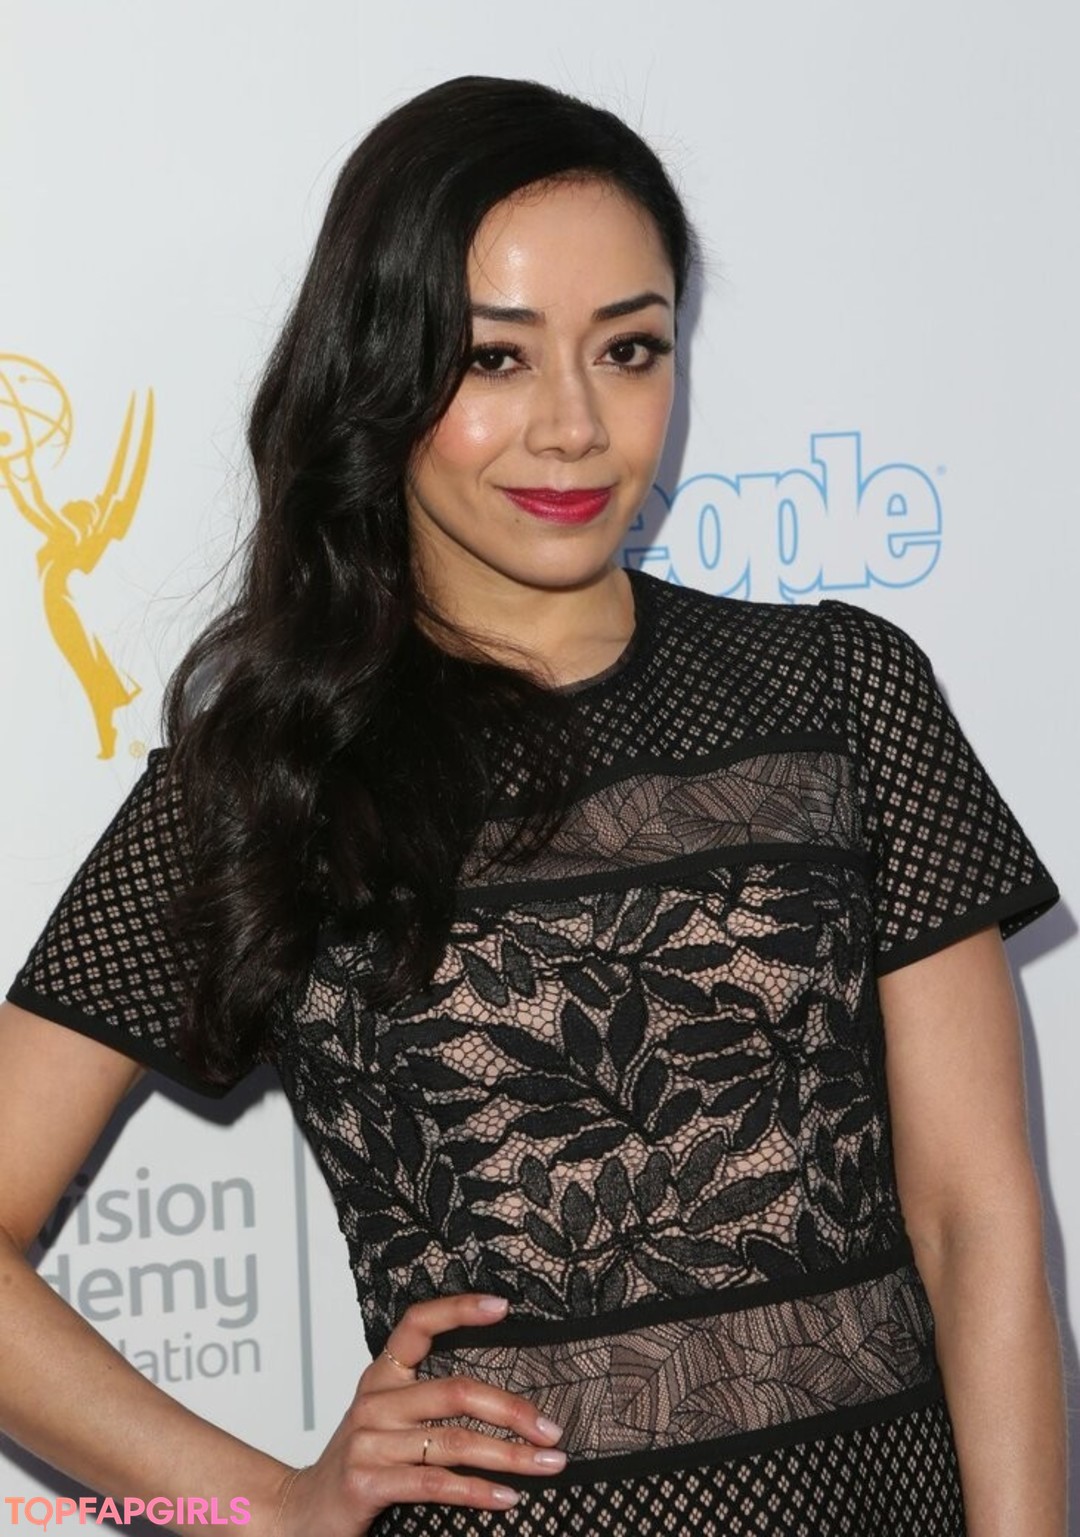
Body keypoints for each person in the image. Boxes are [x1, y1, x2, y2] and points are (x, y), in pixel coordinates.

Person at [0, 74, 1066, 1537]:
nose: (573, 425)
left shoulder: (841, 691)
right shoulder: (273, 778)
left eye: (629, 349)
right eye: (495, 359)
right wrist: (275, 1508)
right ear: (380, 372)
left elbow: (978, 1221)